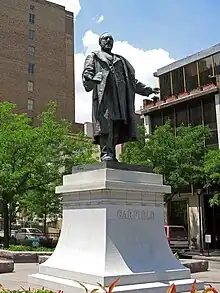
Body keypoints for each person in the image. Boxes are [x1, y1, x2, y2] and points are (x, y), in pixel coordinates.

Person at [82, 32, 159, 162]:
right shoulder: (94, 57)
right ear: (100, 42)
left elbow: (132, 81)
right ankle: (106, 153)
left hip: (120, 98)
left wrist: (148, 90)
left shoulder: (121, 60)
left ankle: (112, 154)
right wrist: (93, 79)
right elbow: (87, 73)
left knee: (117, 123)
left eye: (110, 39)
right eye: (105, 39)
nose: (108, 41)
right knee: (106, 124)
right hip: (105, 97)